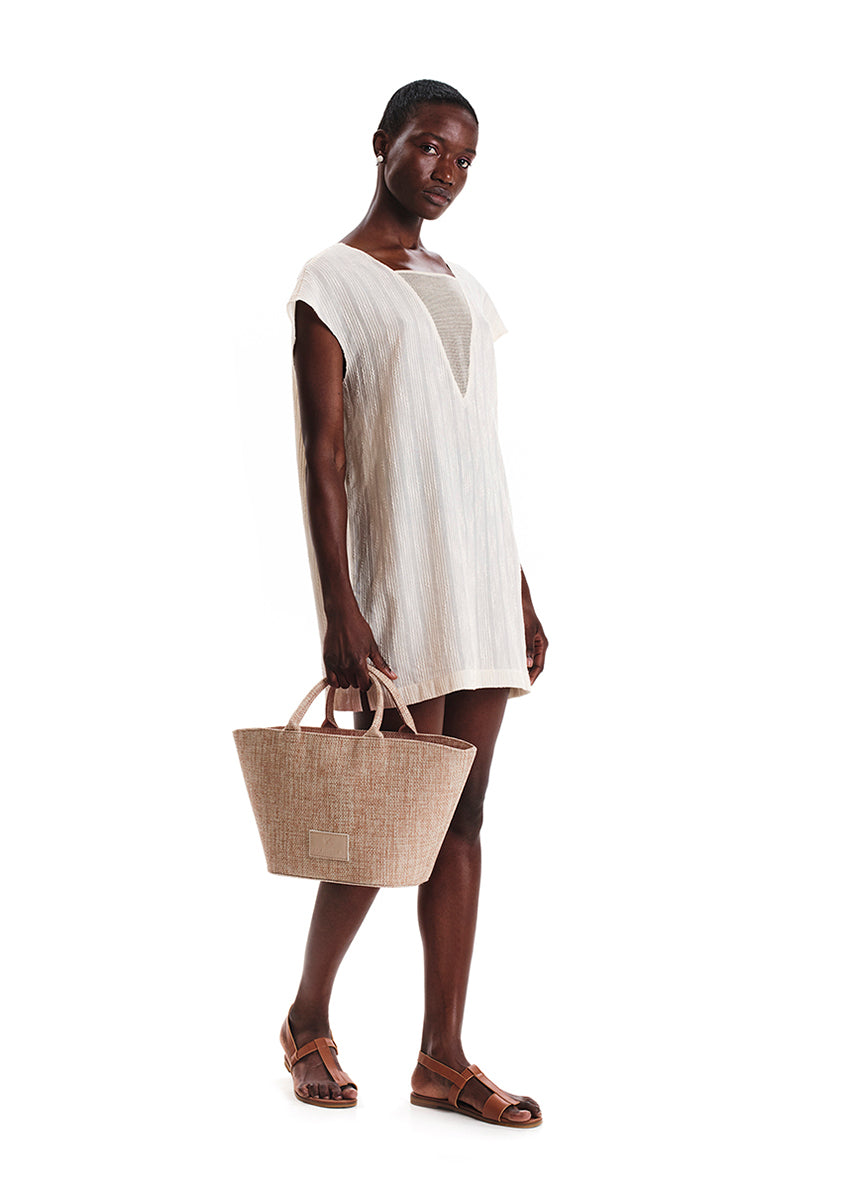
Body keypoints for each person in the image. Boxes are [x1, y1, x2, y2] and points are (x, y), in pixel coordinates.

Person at [283, 79, 548, 1129]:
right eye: (431, 149)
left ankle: (442, 1055)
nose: (445, 173)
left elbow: (475, 447)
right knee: (385, 823)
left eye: (464, 161)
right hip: (400, 583)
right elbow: (326, 455)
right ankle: (307, 1017)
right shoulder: (330, 279)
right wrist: (338, 607)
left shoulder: (463, 284)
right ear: (384, 142)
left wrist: (518, 582)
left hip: (479, 578)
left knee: (464, 817)